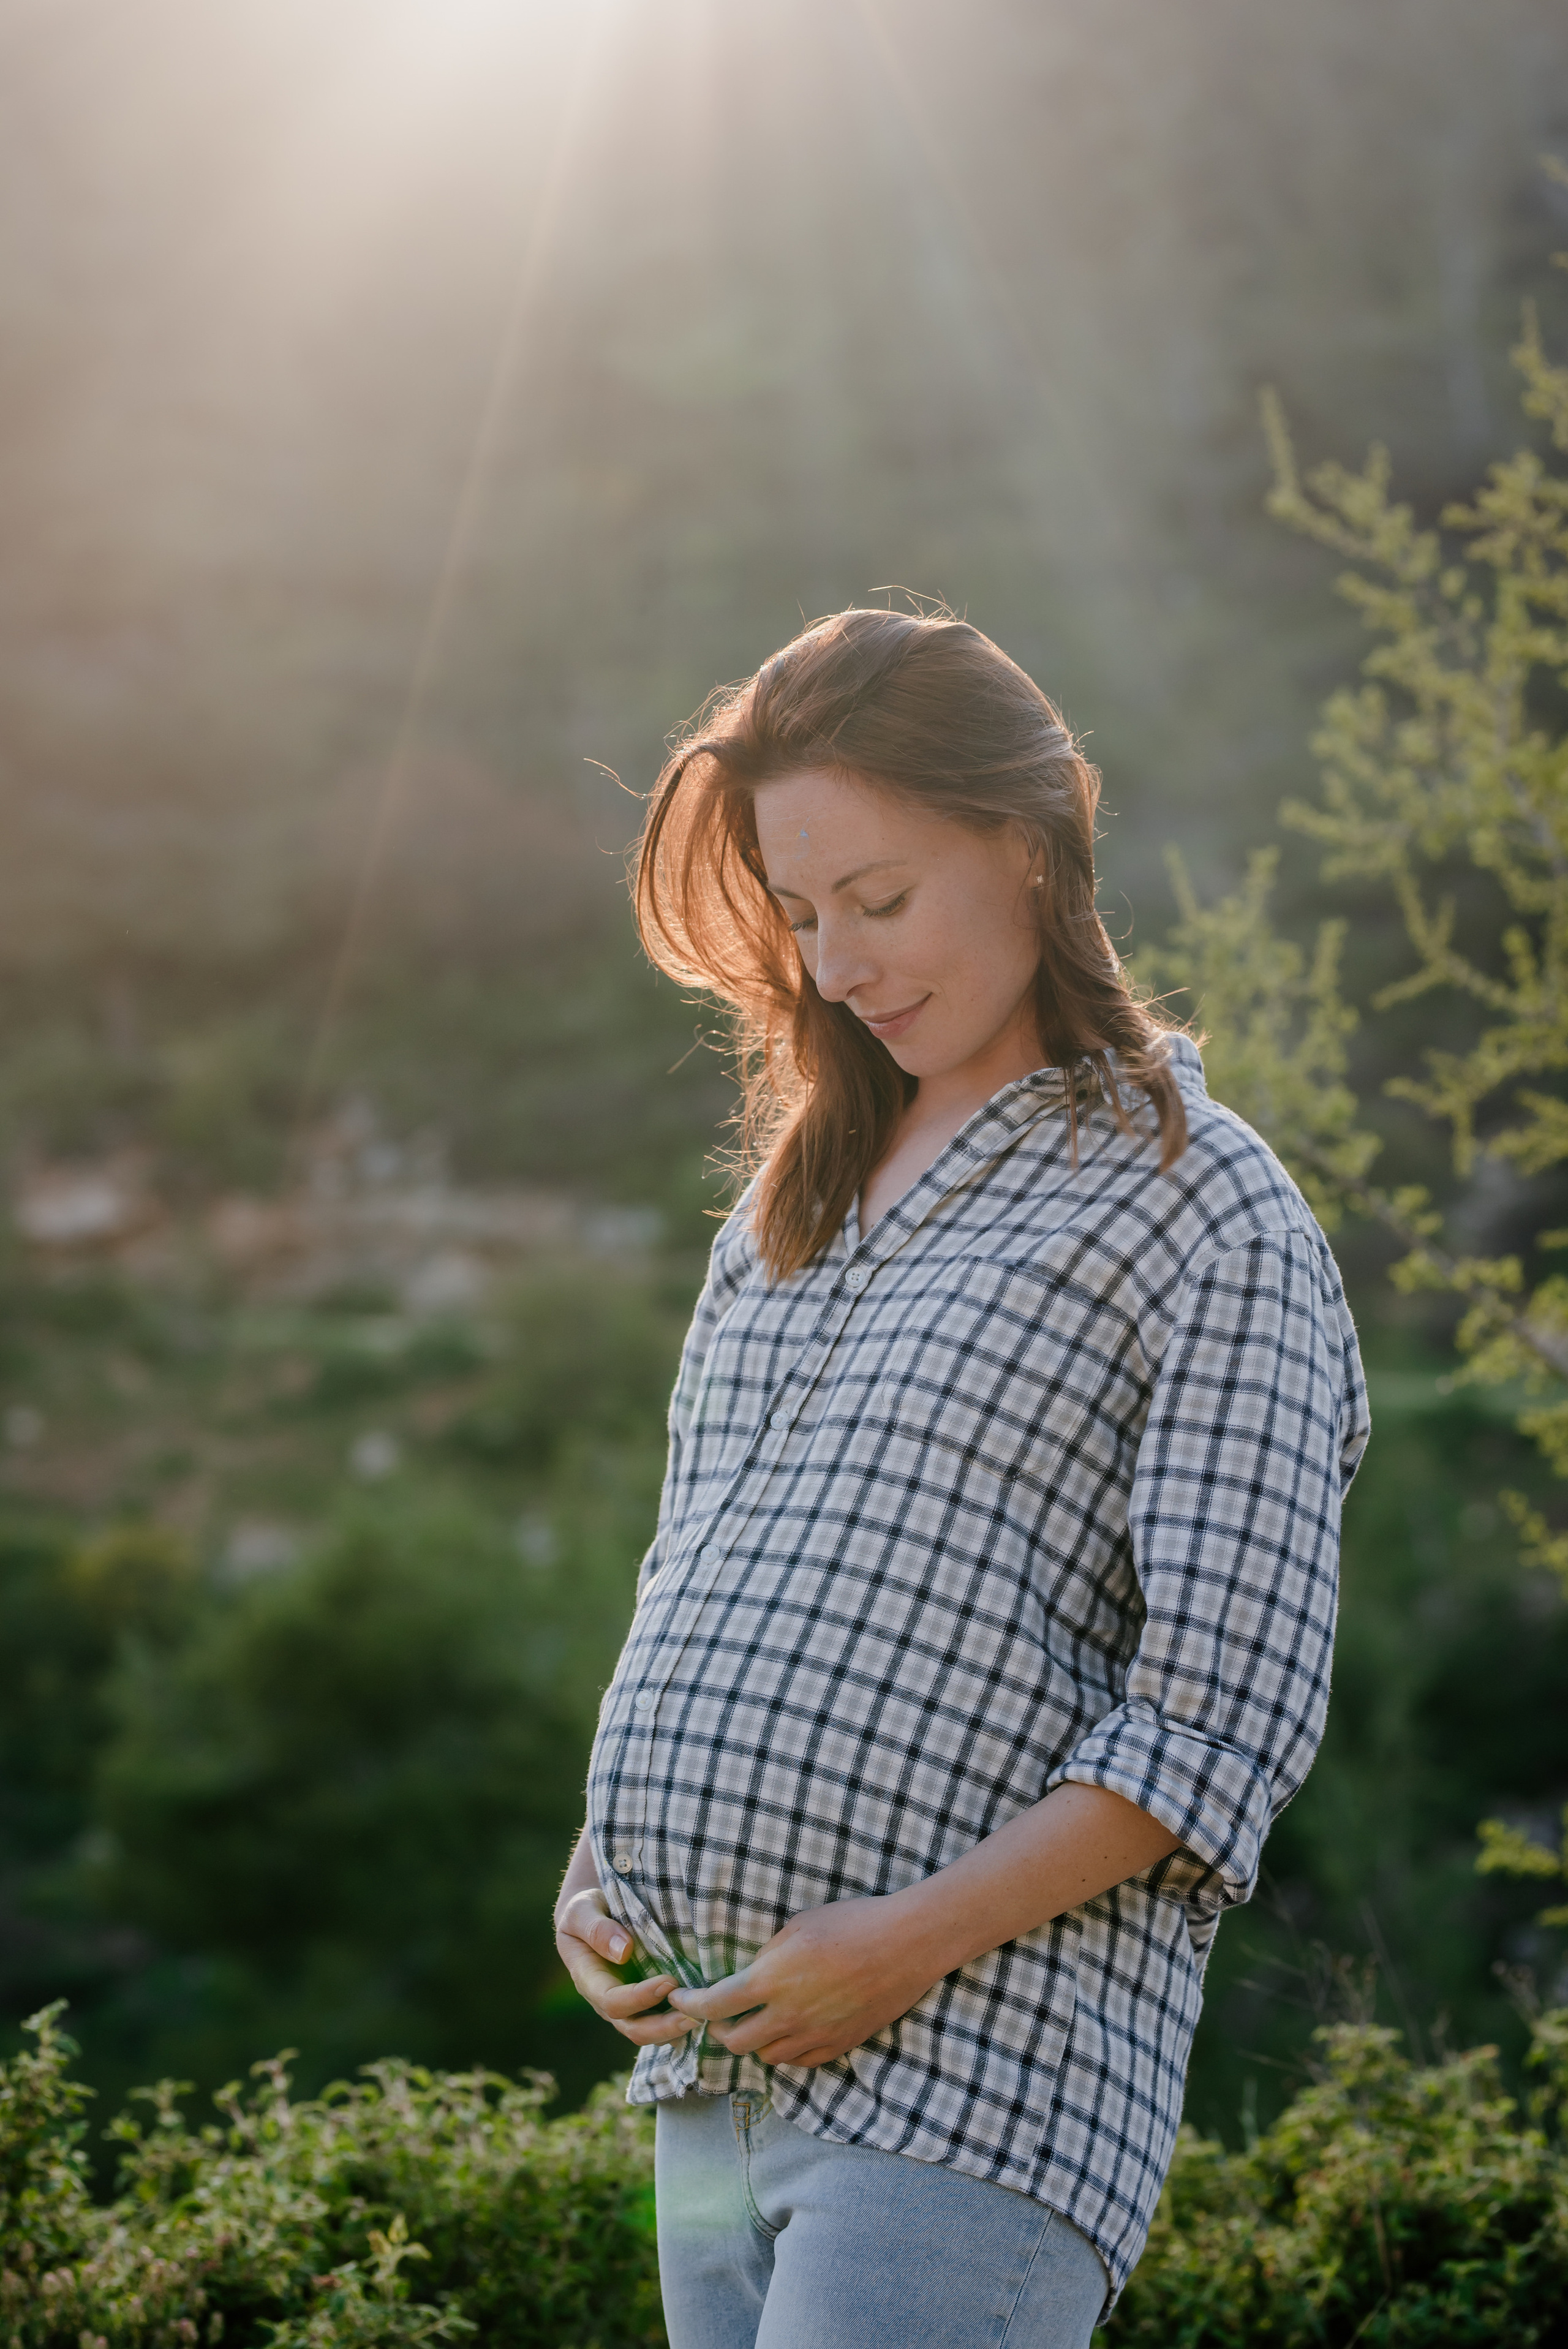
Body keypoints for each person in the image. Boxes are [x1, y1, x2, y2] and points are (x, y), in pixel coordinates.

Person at [554, 607, 1369, 2348]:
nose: (837, 961)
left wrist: (902, 1942)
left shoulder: (1202, 1207)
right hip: (709, 2074)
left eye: (882, 895)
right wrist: (600, 1858)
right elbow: (694, 1572)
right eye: (799, 912)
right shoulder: (793, 1205)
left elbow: (1223, 1724)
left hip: (975, 2086)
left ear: (1029, 834)